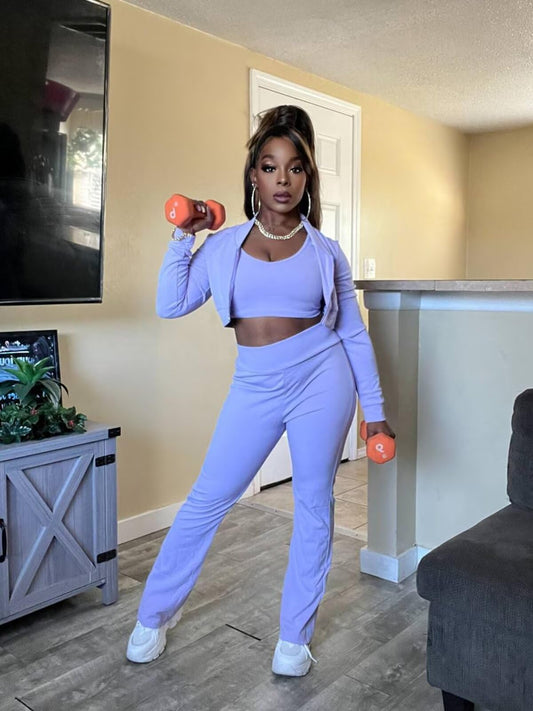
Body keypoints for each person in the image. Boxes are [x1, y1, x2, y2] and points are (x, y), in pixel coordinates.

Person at [126, 105, 394, 675]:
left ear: (307, 177)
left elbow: (352, 333)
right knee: (208, 497)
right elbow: (171, 304)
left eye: (295, 168)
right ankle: (154, 615)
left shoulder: (326, 251)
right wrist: (183, 237)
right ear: (254, 175)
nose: (283, 180)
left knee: (313, 504)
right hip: (255, 382)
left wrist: (375, 411)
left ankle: (294, 639)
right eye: (270, 167)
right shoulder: (222, 246)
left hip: (323, 378)